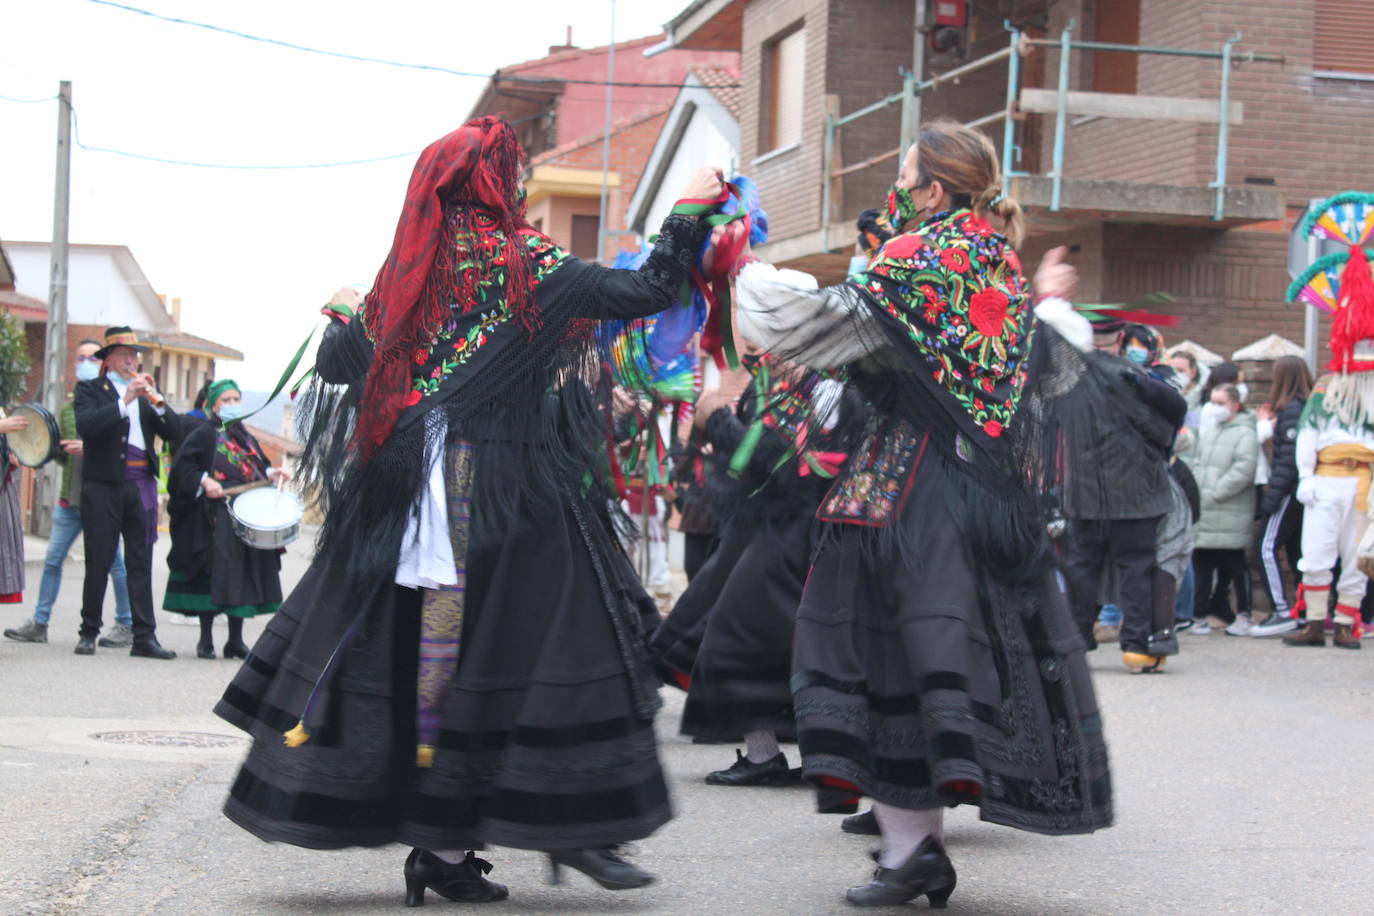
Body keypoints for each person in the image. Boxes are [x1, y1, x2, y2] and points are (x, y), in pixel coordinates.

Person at [214, 116, 725, 903]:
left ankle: (445, 853)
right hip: (505, 494)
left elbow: (343, 366)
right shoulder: (528, 261)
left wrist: (352, 313)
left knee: (421, 660)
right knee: (546, 648)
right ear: (499, 183)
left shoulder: (408, 268)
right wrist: (689, 212)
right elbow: (646, 290)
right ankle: (574, 824)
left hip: (401, 499)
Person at [735, 119, 1111, 908]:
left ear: (934, 189)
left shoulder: (920, 255)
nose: (895, 191)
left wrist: (748, 279)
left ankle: (913, 852)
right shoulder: (996, 257)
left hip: (908, 490)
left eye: (904, 176)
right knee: (935, 656)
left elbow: (824, 331)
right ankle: (915, 846)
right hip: (982, 492)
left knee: (885, 658)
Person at [652, 355, 849, 787]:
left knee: (751, 639)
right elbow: (757, 461)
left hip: (808, 537)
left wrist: (718, 419)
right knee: (740, 638)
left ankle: (819, 761)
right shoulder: (781, 389)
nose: (770, 355)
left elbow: (775, 461)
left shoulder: (836, 387)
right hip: (777, 532)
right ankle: (771, 755)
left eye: (784, 342)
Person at [1053, 312, 1187, 671]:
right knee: (1136, 570)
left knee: (1081, 570)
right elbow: (1166, 423)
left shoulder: (1066, 380)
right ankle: (1136, 646)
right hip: (1135, 494)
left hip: (1083, 495)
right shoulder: (1132, 376)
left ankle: (1076, 642)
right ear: (1119, 341)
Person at [4, 339, 135, 646]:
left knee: (114, 565)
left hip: (101, 496)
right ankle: (40, 622)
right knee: (52, 561)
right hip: (70, 497)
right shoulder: (66, 408)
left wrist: (88, 449)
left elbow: (124, 448)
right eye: (80, 358)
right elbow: (56, 449)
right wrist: (32, 451)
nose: (84, 363)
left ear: (103, 363)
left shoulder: (121, 401)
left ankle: (126, 623)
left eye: (90, 358)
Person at [163, 379, 288, 658]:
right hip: (212, 518)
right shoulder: (203, 434)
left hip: (243, 515)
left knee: (240, 577)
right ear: (213, 405)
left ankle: (235, 640)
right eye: (226, 401)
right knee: (213, 574)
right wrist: (204, 481)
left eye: (236, 399)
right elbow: (182, 469)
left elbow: (259, 467)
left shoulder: (245, 436)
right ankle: (205, 639)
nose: (232, 405)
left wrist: (271, 474)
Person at [73, 326, 179, 659]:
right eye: (124, 355)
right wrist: (125, 400)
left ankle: (144, 636)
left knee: (140, 562)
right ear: (108, 360)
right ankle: (89, 631)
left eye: (134, 355)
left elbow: (174, 431)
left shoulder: (146, 393)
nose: (131, 361)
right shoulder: (91, 389)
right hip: (103, 485)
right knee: (99, 560)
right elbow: (87, 427)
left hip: (140, 485)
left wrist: (157, 401)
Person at [1251, 356, 1313, 637]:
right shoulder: (1302, 408)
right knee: (1296, 551)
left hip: (1289, 492)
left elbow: (1288, 461)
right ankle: (1303, 612)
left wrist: (1272, 499)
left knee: (1264, 547)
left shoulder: (1292, 410)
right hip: (1298, 492)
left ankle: (1281, 610)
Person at [1188, 384, 1258, 634]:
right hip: (1207, 511)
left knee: (1236, 565)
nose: (1214, 408)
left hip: (1229, 510)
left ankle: (1244, 614)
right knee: (1202, 564)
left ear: (1235, 405)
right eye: (1212, 402)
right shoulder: (1211, 431)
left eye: (1220, 403)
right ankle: (1198, 614)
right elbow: (1197, 461)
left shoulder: (1245, 433)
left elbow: (1243, 469)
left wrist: (1215, 492)